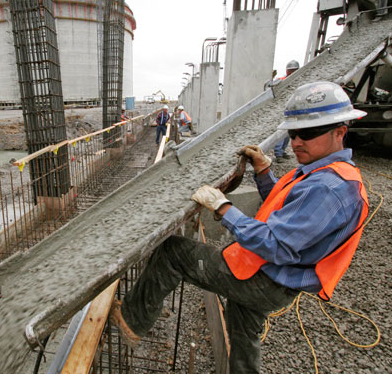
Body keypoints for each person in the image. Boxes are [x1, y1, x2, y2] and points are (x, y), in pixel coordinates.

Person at [109, 81, 369, 373]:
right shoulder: (324, 172)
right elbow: (287, 211)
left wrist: (223, 208)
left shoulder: (330, 188)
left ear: (340, 132)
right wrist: (263, 172)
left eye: (307, 134)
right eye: (293, 133)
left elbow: (275, 244)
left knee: (173, 252)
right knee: (244, 331)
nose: (296, 142)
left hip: (266, 278)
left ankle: (133, 319)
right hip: (275, 276)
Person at [273, 60, 300, 160]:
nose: (292, 73)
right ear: (287, 71)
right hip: (281, 110)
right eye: (290, 71)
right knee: (281, 132)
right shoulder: (282, 80)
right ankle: (278, 154)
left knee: (288, 133)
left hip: (292, 110)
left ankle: (282, 151)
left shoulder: (299, 81)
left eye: (294, 70)